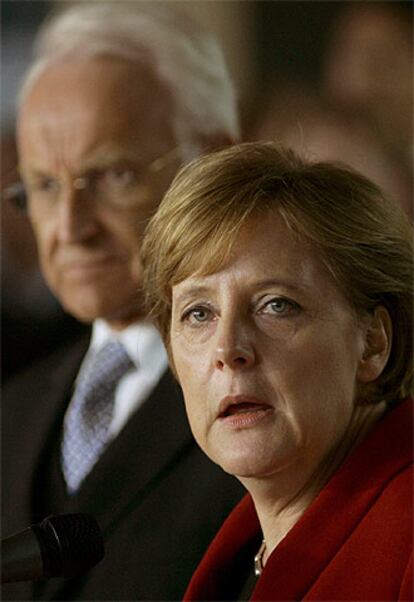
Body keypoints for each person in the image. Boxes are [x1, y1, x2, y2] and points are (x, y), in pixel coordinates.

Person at [1, 3, 243, 601]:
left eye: (111, 176)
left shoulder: (273, 406)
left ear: (212, 160)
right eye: (46, 187)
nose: (70, 227)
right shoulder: (11, 412)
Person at [142, 141, 413, 601]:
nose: (228, 349)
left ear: (372, 343)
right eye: (198, 313)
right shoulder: (236, 551)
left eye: (276, 305)